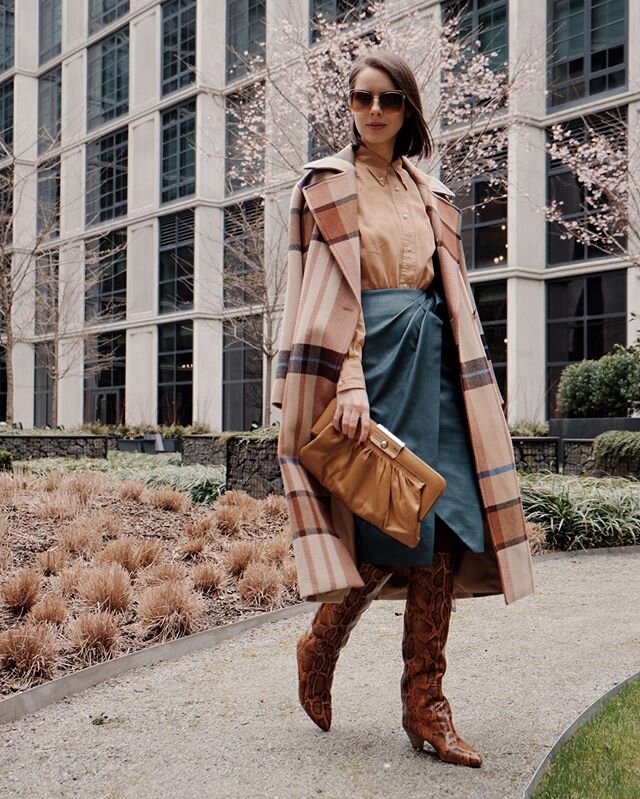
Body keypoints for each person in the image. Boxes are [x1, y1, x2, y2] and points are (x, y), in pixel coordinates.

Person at [271, 50, 535, 768]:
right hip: (372, 361)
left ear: (408, 107)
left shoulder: (432, 191)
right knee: (383, 526)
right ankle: (322, 642)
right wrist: (348, 381)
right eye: (363, 98)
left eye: (390, 98)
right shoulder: (325, 185)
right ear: (349, 106)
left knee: (447, 520)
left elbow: (449, 294)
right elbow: (325, 295)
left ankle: (426, 704)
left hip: (436, 365)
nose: (376, 110)